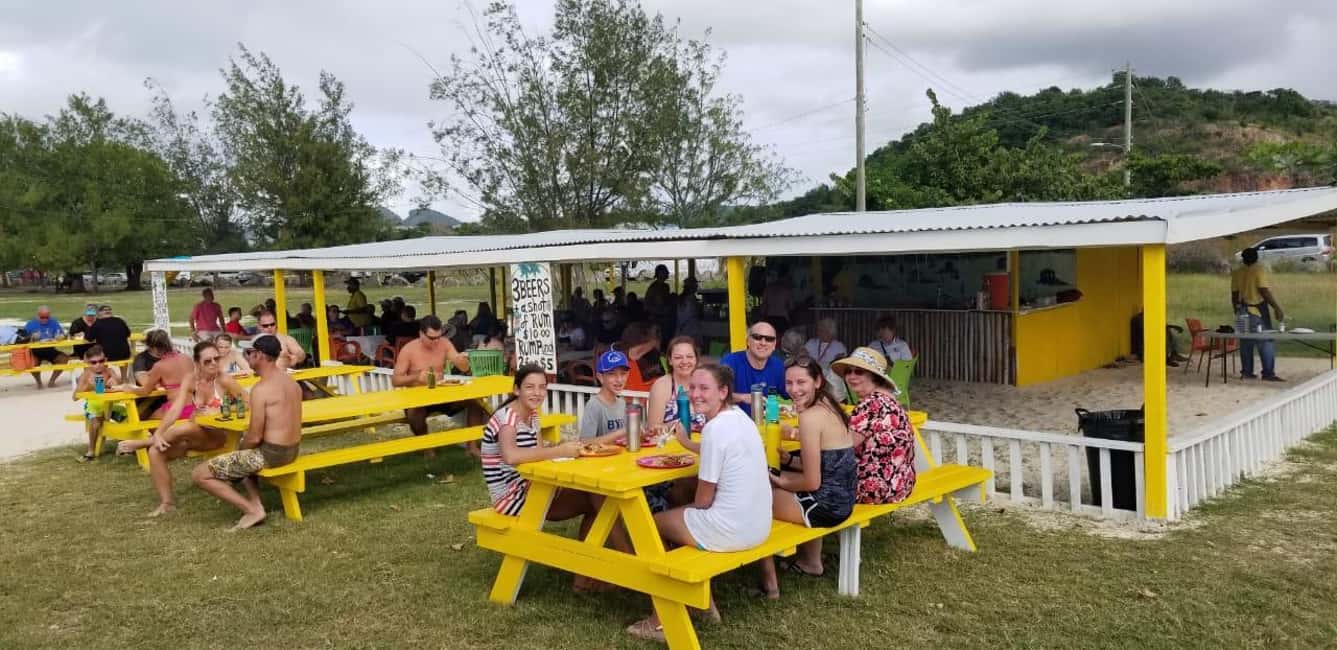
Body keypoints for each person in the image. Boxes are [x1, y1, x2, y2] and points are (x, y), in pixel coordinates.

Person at [628, 364, 770, 641]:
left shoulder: (715, 429)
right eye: (692, 387)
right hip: (759, 525)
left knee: (650, 525)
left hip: (732, 531)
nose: (695, 394)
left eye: (704, 388)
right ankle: (702, 603)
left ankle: (662, 620)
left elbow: (703, 501)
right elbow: (717, 450)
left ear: (723, 391)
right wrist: (684, 442)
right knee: (676, 514)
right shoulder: (741, 419)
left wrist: (681, 514)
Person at [757, 357, 857, 598]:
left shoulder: (810, 418)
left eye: (801, 382)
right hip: (844, 500)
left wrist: (779, 482)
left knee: (754, 499)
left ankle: (769, 584)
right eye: (789, 383)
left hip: (826, 507)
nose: (794, 389)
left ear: (817, 381)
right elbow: (827, 465)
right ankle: (811, 562)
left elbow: (812, 482)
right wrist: (790, 462)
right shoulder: (830, 406)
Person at [121, 341, 248, 517]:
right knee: (155, 452)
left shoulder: (224, 380)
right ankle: (167, 503)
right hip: (195, 435)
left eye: (216, 359)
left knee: (185, 427)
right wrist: (159, 433)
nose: (213, 363)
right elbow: (175, 409)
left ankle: (146, 441)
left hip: (220, 435)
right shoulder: (191, 379)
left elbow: (250, 404)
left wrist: (222, 409)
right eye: (207, 361)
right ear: (197, 363)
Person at [191, 335, 301, 530]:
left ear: (259, 355)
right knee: (245, 457)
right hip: (291, 451)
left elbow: (254, 436)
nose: (247, 356)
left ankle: (252, 510)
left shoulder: (261, 389)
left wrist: (239, 450)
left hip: (271, 454)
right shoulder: (291, 382)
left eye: (249, 352)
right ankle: (256, 504)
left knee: (199, 474)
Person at [480, 365, 590, 517]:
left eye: (542, 387)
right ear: (517, 390)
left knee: (597, 499)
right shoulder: (507, 419)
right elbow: (510, 456)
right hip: (511, 499)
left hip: (531, 484)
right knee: (594, 501)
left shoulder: (533, 416)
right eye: (530, 387)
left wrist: (560, 447)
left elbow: (539, 457)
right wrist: (559, 451)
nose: (537, 393)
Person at [832, 348, 917, 504]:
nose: (851, 376)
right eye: (848, 372)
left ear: (873, 376)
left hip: (876, 489)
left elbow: (843, 444)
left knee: (811, 477)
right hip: (901, 484)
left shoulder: (871, 404)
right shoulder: (888, 399)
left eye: (858, 371)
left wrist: (799, 434)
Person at [391, 315, 481, 456]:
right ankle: (427, 447)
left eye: (439, 337)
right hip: (418, 397)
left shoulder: (444, 343)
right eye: (432, 338)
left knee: (475, 403)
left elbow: (462, 366)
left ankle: (472, 446)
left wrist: (462, 361)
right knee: (414, 414)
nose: (436, 341)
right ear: (421, 334)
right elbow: (396, 380)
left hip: (441, 393)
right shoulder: (409, 350)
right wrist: (416, 377)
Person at [1232, 247, 1286, 381]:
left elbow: (1234, 294)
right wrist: (1277, 307)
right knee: (1265, 341)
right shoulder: (1258, 270)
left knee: (1245, 342)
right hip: (1256, 310)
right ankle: (1268, 373)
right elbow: (1263, 290)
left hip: (1242, 310)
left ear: (1243, 259)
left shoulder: (1237, 272)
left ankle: (1247, 372)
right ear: (1256, 257)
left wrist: (1237, 310)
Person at [719, 321, 788, 415]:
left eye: (769, 339)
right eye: (757, 337)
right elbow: (715, 394)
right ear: (748, 341)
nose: (763, 343)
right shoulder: (731, 361)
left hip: (767, 424)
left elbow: (789, 394)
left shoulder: (778, 365)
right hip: (734, 423)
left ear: (774, 344)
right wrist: (742, 397)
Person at [647, 336, 706, 432]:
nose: (685, 361)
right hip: (671, 444)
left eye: (690, 356)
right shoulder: (662, 385)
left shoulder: (704, 382)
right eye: (678, 357)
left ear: (696, 359)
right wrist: (681, 424)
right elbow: (652, 428)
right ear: (670, 360)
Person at [72, 345, 119, 463]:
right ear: (88, 363)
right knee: (96, 421)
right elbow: (75, 397)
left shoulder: (109, 371)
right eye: (94, 362)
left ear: (106, 360)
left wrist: (115, 381)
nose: (98, 365)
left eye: (101, 361)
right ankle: (91, 450)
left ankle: (131, 444)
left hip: (110, 405)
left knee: (129, 417)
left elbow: (118, 385)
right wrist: (88, 387)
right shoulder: (86, 374)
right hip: (93, 406)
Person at [578, 350, 630, 442]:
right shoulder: (594, 405)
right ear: (600, 377)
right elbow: (584, 442)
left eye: (623, 374)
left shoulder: (622, 403)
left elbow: (625, 437)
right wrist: (620, 433)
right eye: (612, 374)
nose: (619, 380)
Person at [24, 306, 68, 389]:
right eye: (42, 317)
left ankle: (52, 381)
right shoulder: (30, 324)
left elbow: (62, 334)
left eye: (47, 317)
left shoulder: (53, 322)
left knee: (64, 358)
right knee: (33, 363)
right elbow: (22, 339)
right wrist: (32, 338)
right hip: (35, 350)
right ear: (37, 315)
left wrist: (61, 336)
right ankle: (39, 382)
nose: (45, 319)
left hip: (49, 349)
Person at [87, 304, 132, 383]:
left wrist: (90, 326)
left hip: (106, 355)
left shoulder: (97, 323)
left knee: (96, 359)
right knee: (125, 353)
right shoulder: (120, 321)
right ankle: (124, 378)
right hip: (123, 354)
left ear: (99, 314)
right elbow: (128, 334)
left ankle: (101, 383)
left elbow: (89, 338)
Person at [761, 270, 795, 335]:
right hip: (783, 319)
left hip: (770, 318)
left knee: (770, 338)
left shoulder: (768, 289)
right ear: (785, 277)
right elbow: (792, 307)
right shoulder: (787, 290)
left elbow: (763, 308)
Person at [674, 277, 703, 345]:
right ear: (691, 287)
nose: (696, 286)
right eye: (695, 285)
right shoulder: (689, 299)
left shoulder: (682, 297)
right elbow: (693, 313)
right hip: (689, 330)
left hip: (682, 330)